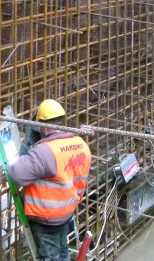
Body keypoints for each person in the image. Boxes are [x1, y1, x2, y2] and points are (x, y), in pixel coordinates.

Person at [9, 99, 92, 261]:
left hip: (47, 219)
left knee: (50, 257)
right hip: (67, 212)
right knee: (62, 252)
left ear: (44, 127)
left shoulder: (45, 152)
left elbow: (16, 173)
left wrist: (30, 142)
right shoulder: (81, 144)